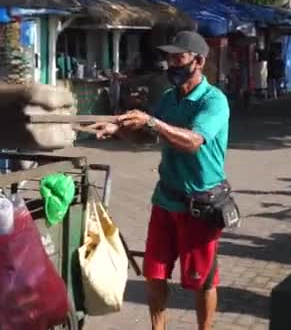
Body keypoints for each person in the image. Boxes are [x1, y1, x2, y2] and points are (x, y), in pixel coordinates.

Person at [91, 31, 230, 330]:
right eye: (169, 58)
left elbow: (193, 141)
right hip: (166, 198)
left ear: (199, 61)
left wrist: (151, 121)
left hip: (200, 204)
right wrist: (118, 130)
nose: (171, 64)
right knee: (154, 274)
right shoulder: (169, 98)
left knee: (202, 280)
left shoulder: (214, 100)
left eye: (178, 58)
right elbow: (148, 136)